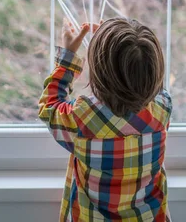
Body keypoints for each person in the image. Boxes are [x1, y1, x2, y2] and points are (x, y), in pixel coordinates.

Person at [38, 17, 172, 221]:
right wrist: (110, 45)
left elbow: (50, 106)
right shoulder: (162, 108)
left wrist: (68, 58)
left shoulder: (82, 118)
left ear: (99, 70)